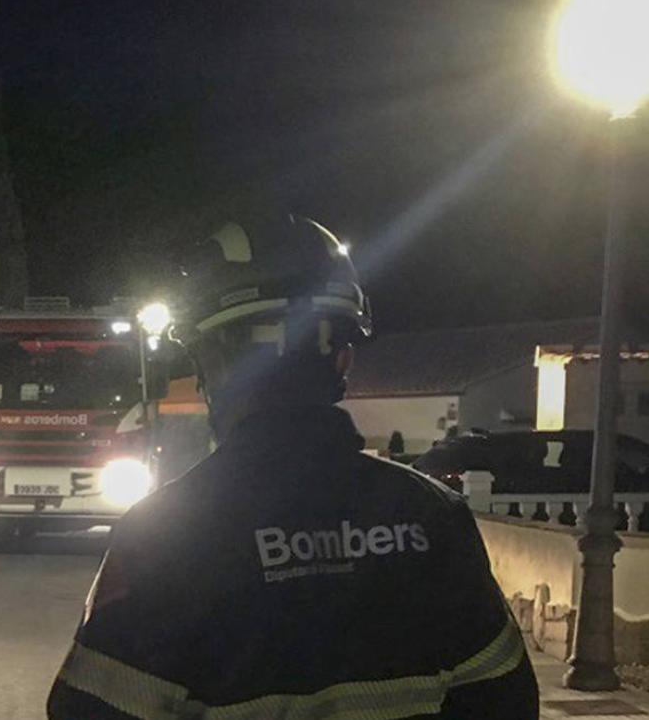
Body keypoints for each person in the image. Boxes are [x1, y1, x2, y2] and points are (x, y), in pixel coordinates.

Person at [47, 213, 538, 719]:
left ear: (211, 367)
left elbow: (89, 711)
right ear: (343, 358)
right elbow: (505, 699)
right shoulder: (436, 517)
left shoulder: (164, 532)